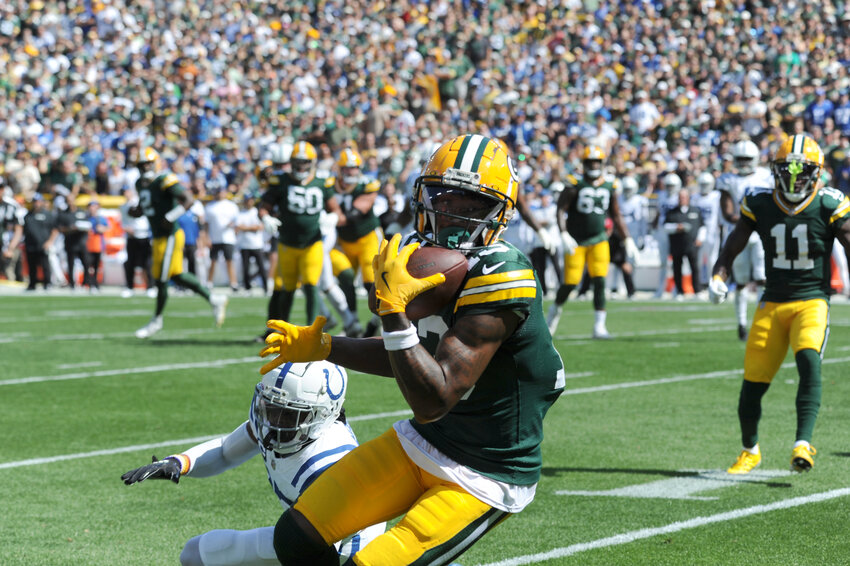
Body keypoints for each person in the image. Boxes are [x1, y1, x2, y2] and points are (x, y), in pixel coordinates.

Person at [259, 134, 565, 565]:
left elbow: (433, 397)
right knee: (295, 536)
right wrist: (326, 346)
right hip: (425, 440)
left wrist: (392, 313)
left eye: (471, 203)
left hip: (481, 471)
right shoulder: (417, 252)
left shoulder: (503, 272)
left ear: (498, 213)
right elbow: (413, 358)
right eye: (444, 195)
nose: (452, 211)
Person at [121, 360, 385, 565]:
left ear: (323, 415)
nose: (274, 421)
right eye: (271, 407)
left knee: (199, 553)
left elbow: (323, 550)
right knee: (195, 554)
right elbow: (226, 451)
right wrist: (179, 463)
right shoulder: (288, 426)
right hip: (304, 537)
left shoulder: (330, 464)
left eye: (288, 415)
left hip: (345, 552)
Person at [709, 134, 850, 475]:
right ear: (775, 170)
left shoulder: (829, 203)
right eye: (788, 170)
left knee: (808, 358)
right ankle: (750, 450)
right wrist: (719, 275)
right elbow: (732, 247)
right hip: (771, 302)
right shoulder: (759, 201)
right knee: (752, 384)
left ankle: (803, 443)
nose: (793, 178)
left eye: (802, 171)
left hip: (811, 300)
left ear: (816, 174)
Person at [129, 146, 228, 339]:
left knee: (162, 279)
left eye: (148, 164)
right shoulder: (140, 183)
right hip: (157, 237)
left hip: (171, 235)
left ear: (155, 163)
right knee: (176, 275)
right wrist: (135, 211)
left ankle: (156, 319)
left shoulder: (165, 179)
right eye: (141, 165)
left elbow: (188, 199)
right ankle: (214, 298)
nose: (145, 168)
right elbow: (143, 207)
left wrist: (171, 216)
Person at [547, 145, 638, 338]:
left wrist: (627, 238)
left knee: (599, 280)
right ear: (584, 164)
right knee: (571, 282)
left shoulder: (610, 185)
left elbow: (616, 214)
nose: (594, 165)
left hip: (599, 239)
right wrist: (563, 233)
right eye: (590, 162)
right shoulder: (574, 183)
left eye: (597, 162)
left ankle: (599, 326)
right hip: (576, 240)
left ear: (602, 163)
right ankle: (554, 311)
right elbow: (560, 210)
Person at [257, 141, 346, 332]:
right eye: (297, 161)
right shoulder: (280, 181)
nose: (301, 166)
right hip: (287, 243)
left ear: (312, 163)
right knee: (286, 289)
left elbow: (337, 211)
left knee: (311, 285)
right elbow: (263, 208)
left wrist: (332, 217)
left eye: (305, 162)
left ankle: (311, 331)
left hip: (312, 243)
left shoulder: (322, 181)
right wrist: (265, 218)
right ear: (291, 161)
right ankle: (283, 330)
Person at [716, 139, 773, 340]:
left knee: (762, 278)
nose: (743, 163)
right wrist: (748, 220)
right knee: (740, 281)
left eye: (747, 159)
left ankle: (760, 322)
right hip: (738, 232)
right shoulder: (727, 179)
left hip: (761, 233)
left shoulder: (766, 177)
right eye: (739, 159)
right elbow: (727, 211)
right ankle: (741, 323)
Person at [332, 148, 383, 336]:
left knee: (371, 282)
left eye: (354, 168)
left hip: (367, 237)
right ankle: (351, 323)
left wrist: (332, 216)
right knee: (345, 280)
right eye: (347, 168)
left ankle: (377, 320)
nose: (351, 172)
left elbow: (356, 212)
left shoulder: (367, 183)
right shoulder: (331, 184)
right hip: (344, 241)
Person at [663, 189, 705, 298]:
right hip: (677, 245)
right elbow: (665, 227)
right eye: (680, 197)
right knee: (677, 268)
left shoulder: (695, 211)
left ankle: (697, 291)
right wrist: (676, 228)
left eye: (684, 197)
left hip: (692, 245)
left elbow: (702, 226)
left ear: (688, 198)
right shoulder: (672, 212)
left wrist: (700, 238)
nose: (682, 199)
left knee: (694, 268)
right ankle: (679, 291)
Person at [120, 187, 154, 298]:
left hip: (143, 236)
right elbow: (124, 223)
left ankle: (150, 287)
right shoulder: (123, 207)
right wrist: (126, 228)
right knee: (130, 263)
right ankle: (130, 287)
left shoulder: (140, 202)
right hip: (131, 237)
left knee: (147, 263)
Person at [204, 186, 240, 292]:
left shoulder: (231, 206)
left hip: (228, 238)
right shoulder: (210, 206)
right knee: (213, 261)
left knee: (229, 261)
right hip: (214, 238)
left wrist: (232, 226)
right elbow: (206, 224)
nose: (220, 194)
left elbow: (237, 221)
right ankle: (209, 282)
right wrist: (207, 237)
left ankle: (233, 283)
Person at [691, 171, 721, 292]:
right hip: (699, 232)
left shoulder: (716, 196)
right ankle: (699, 284)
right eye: (702, 184)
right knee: (697, 260)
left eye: (706, 184)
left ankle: (712, 283)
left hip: (712, 231)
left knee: (712, 259)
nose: (704, 186)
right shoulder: (695, 197)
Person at [23, 193, 59, 291]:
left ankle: (47, 283)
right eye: (35, 201)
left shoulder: (48, 215)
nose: (36, 204)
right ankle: (32, 284)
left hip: (43, 244)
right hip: (30, 244)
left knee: (45, 265)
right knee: (31, 266)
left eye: (38, 201)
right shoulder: (28, 215)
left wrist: (49, 242)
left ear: (42, 202)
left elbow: (55, 230)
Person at [235, 192, 267, 294]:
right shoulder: (241, 213)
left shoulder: (257, 212)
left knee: (262, 267)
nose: (250, 202)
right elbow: (239, 227)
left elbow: (260, 227)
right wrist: (252, 228)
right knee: (245, 268)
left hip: (257, 244)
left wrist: (246, 228)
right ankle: (247, 287)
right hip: (245, 245)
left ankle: (265, 287)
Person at [1, 183, 25, 281]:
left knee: (8, 273)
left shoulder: (11, 206)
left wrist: (10, 248)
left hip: (8, 245)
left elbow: (18, 229)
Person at [83, 199, 109, 291]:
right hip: (87, 244)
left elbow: (106, 228)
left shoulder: (101, 218)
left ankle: (95, 283)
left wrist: (101, 229)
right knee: (87, 265)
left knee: (96, 266)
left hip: (98, 245)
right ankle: (88, 283)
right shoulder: (85, 217)